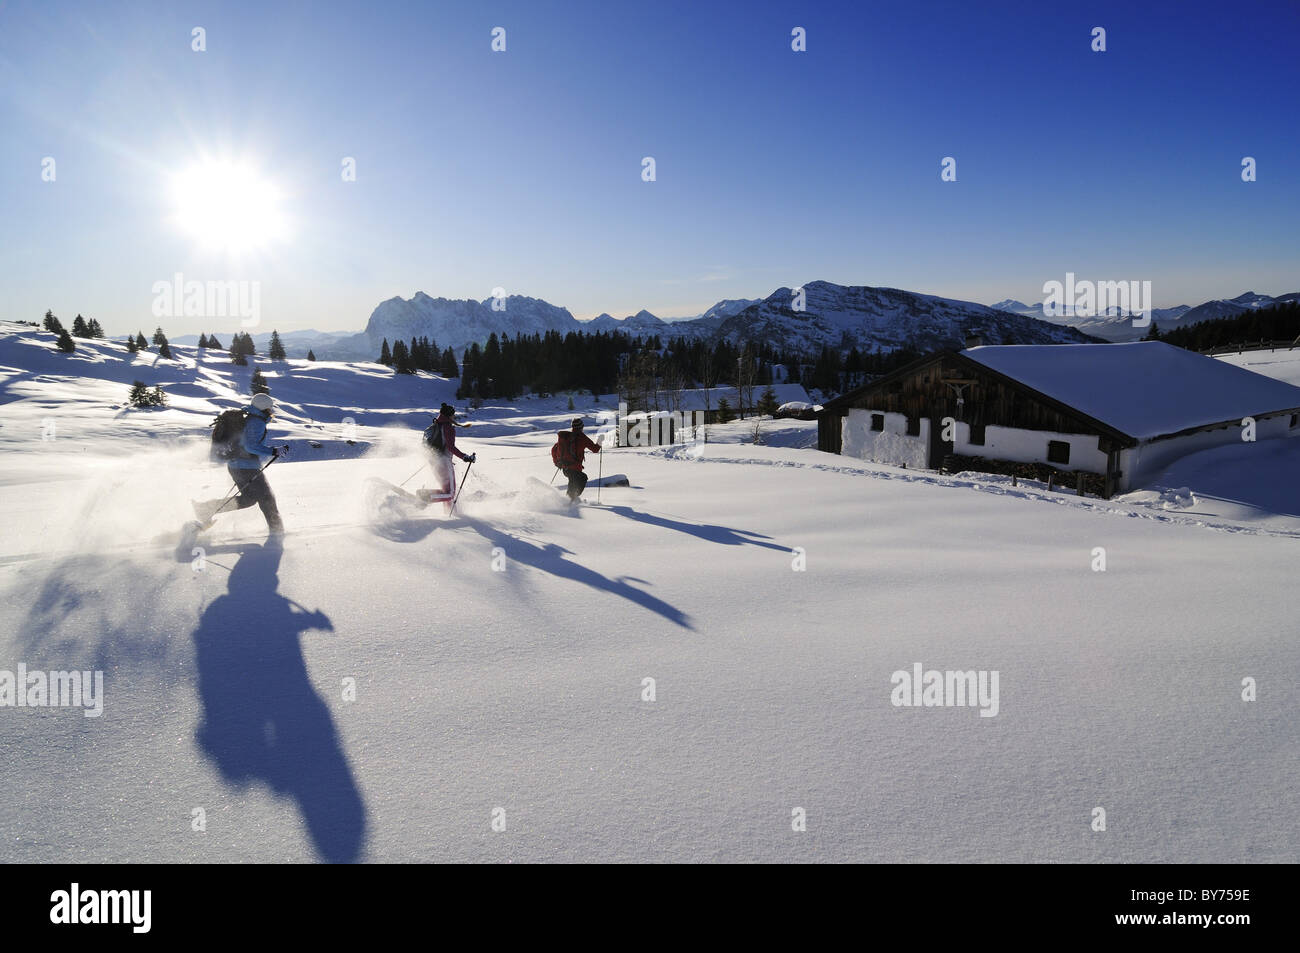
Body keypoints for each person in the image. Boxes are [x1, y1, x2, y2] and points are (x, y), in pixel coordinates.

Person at [193, 392, 287, 535]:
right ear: (264, 408)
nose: (272, 410)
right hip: (246, 467)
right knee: (267, 499)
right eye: (270, 407)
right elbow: (250, 446)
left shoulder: (249, 418)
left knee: (249, 499)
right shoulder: (256, 422)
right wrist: (274, 451)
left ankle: (206, 508)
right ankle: (277, 534)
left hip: (237, 466)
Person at [417, 402, 475, 513]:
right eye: (453, 414)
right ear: (449, 415)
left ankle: (449, 514)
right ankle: (424, 497)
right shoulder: (448, 427)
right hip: (444, 462)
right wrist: (465, 457)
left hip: (434, 462)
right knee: (450, 494)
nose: (454, 417)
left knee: (446, 491)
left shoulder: (436, 424)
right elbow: (450, 447)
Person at [554, 417, 601, 502]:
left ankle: (569, 501)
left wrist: (557, 462)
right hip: (575, 468)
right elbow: (595, 449)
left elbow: (554, 449)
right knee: (582, 478)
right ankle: (570, 501)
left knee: (573, 483)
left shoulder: (566, 437)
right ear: (581, 427)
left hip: (565, 468)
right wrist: (600, 441)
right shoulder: (582, 437)